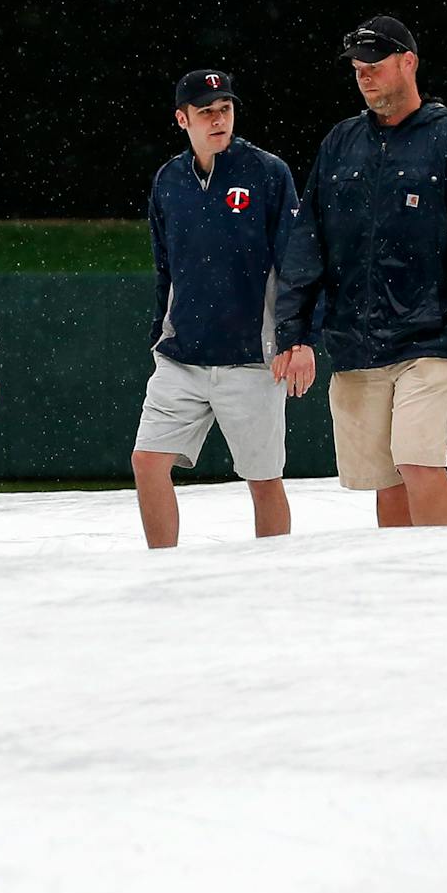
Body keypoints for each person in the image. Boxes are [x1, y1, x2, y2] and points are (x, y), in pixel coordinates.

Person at [272, 17, 447, 527]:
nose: (365, 77)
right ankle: (404, 587)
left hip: (431, 339)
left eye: (375, 66)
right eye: (358, 70)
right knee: (384, 477)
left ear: (408, 62)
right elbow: (308, 242)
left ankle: (440, 573)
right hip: (356, 341)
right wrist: (295, 332)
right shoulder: (341, 143)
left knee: (418, 462)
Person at [132, 69, 302, 547]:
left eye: (225, 109)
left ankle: (272, 574)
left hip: (250, 358)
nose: (218, 119)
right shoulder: (168, 180)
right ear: (181, 119)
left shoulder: (268, 173)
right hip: (180, 356)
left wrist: (295, 338)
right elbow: (165, 268)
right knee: (147, 461)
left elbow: (294, 265)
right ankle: (162, 569)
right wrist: (158, 337)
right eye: (206, 112)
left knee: (263, 478)